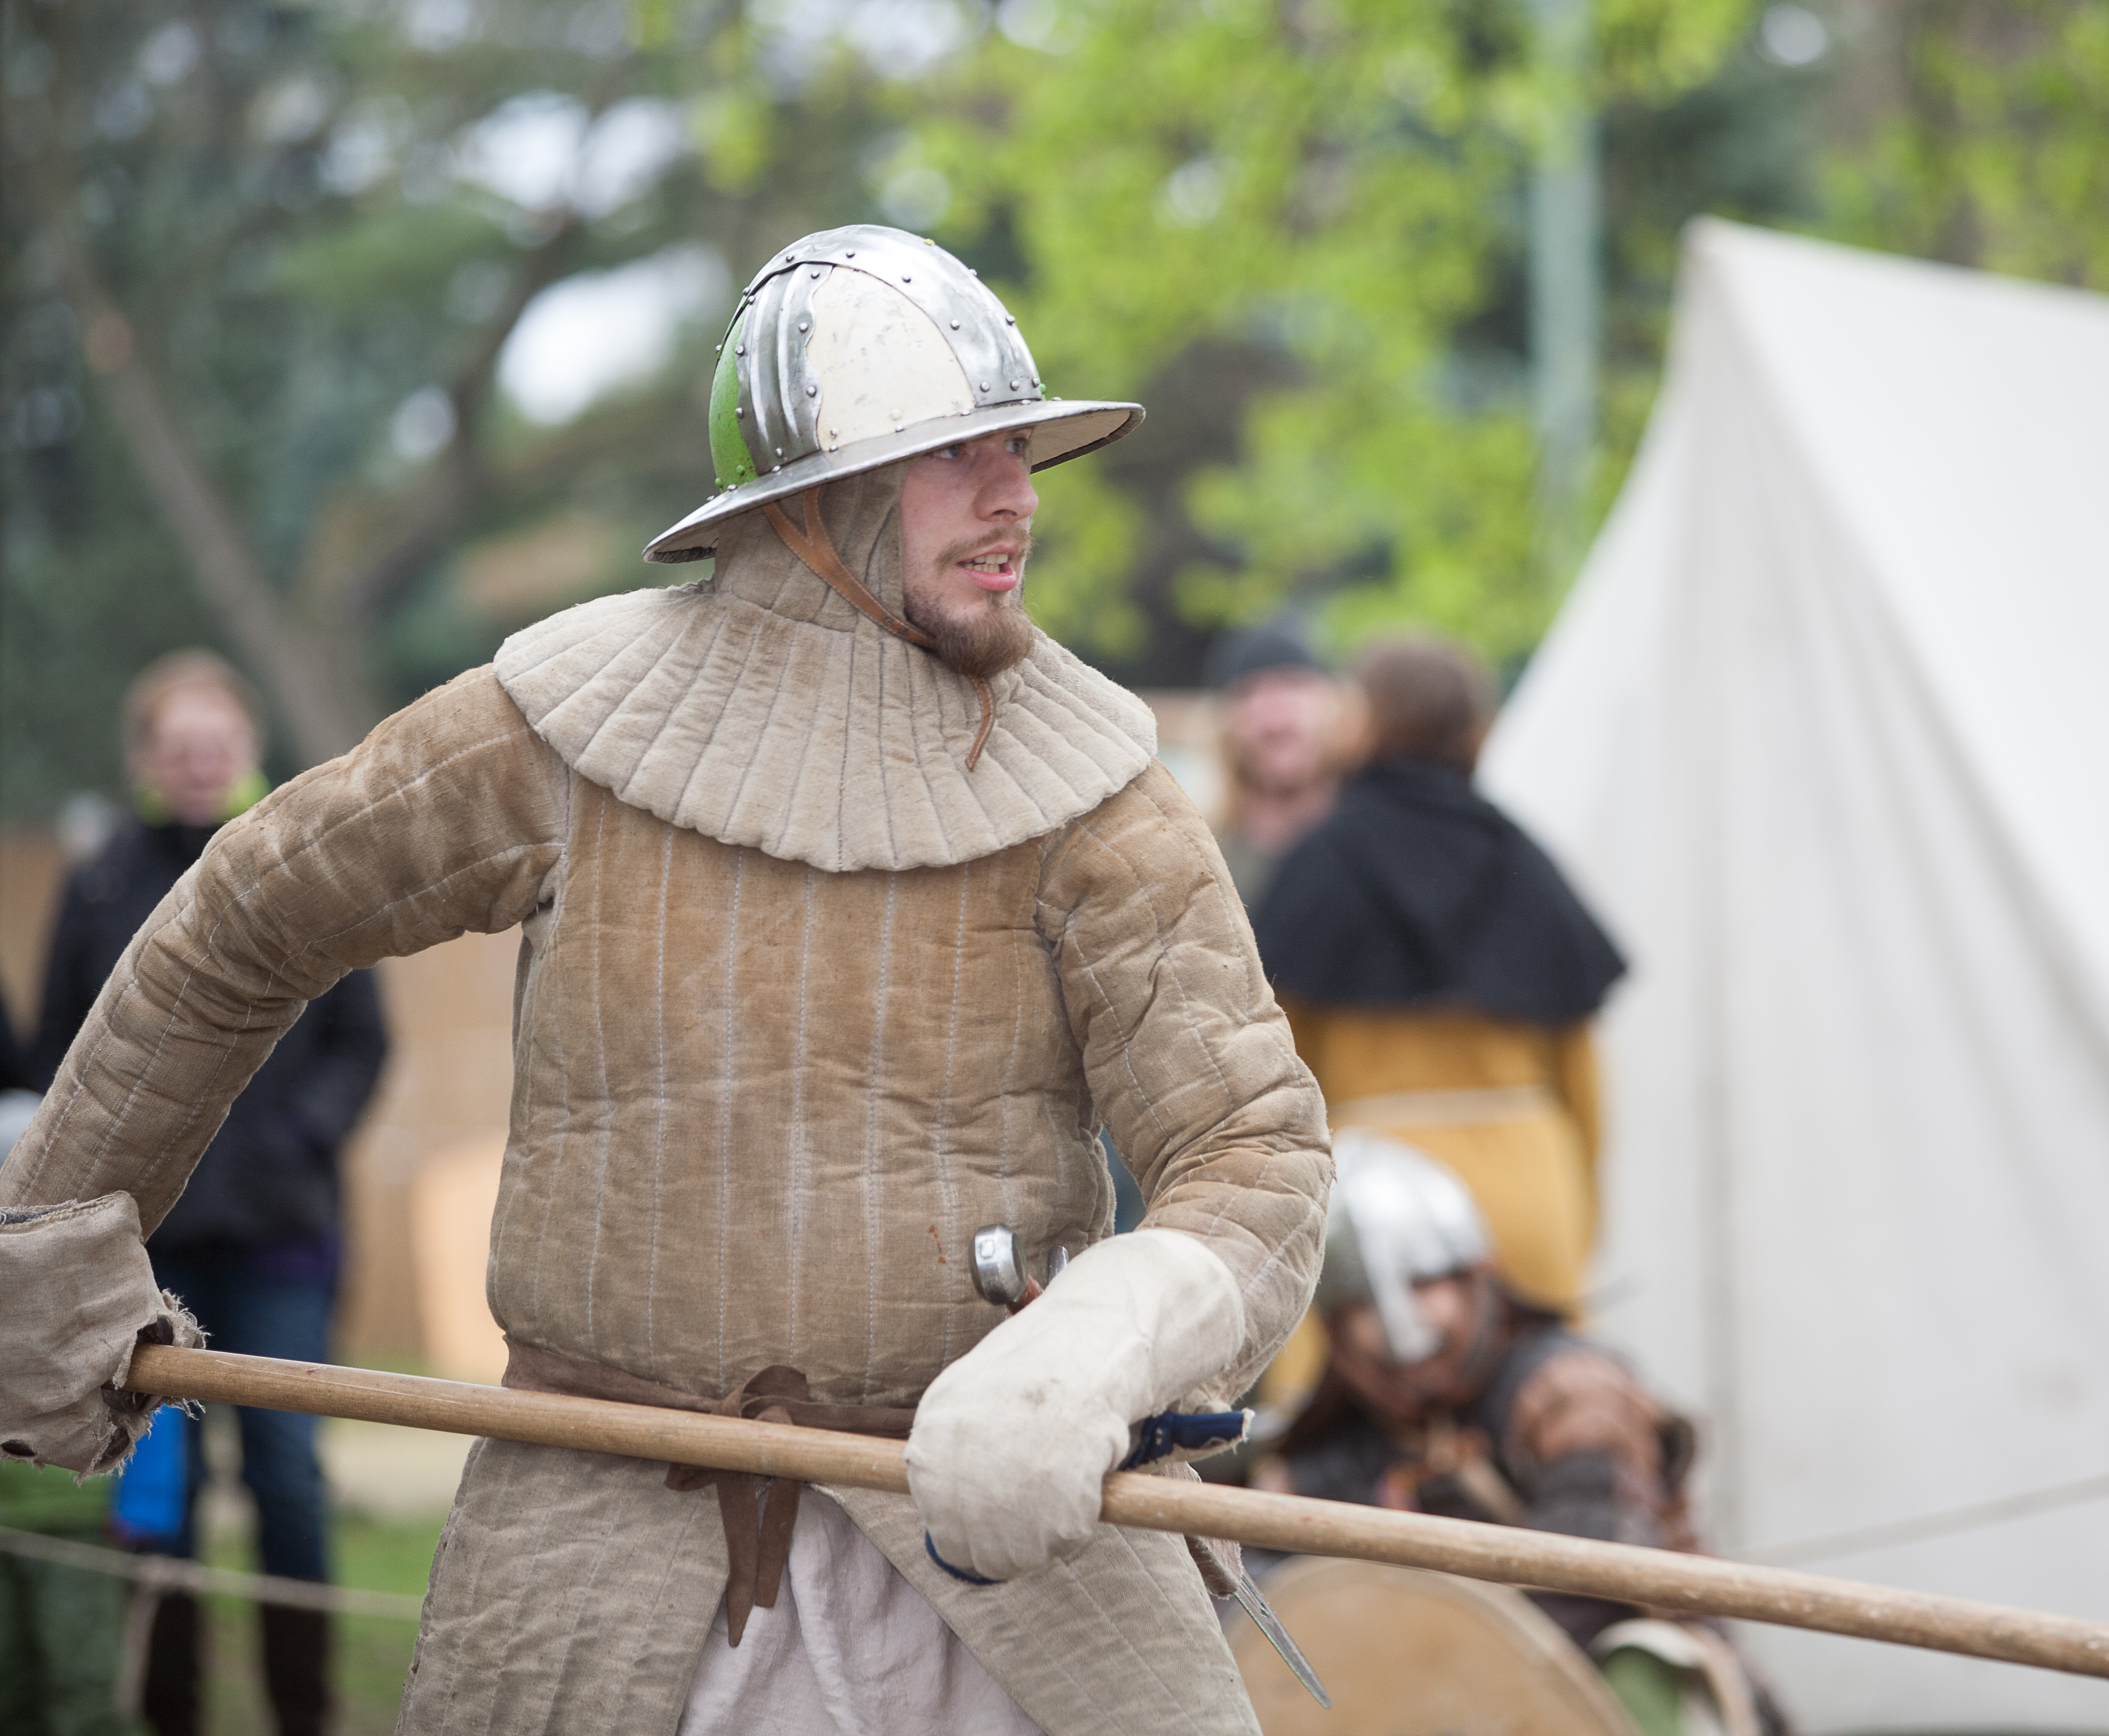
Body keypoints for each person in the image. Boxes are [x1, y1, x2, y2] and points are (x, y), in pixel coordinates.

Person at [0, 222, 1329, 1736]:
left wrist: (1098, 1348)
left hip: (1005, 1573)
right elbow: (243, 916)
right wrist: (51, 1249)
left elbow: (1254, 1150)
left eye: (1018, 447)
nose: (1017, 493)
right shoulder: (560, 727)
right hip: (604, 1560)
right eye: (958, 453)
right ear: (817, 498)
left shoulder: (1099, 790)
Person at [32, 650, 388, 1736]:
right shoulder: (99, 884)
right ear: (146, 758)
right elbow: (58, 1052)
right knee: (160, 1493)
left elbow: (362, 1043)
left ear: (248, 749)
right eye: (178, 749)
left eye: (215, 746)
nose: (197, 765)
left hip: (281, 1240)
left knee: (287, 1478)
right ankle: (171, 1710)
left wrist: (295, 1138)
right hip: (144, 1251)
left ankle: (304, 1711)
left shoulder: (302, 863)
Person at [1251, 1133, 1778, 1736]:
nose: (1402, 1327)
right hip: (1419, 1707)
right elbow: (1266, 1614)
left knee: (1642, 1660)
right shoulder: (1326, 1455)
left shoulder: (1573, 1393)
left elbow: (1586, 1588)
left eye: (1424, 1285)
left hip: (1595, 1685)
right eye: (1363, 1305)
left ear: (1475, 1277)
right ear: (1334, 1327)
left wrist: (1454, 1688)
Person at [1251, 634, 1624, 1338]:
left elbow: (1279, 1072)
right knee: (1540, 1387)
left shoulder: (1320, 864)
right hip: (1528, 1186)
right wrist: (1578, 1213)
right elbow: (1583, 1086)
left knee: (1348, 1402)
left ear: (1364, 722)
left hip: (1369, 1201)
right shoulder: (1524, 862)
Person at [1204, 622, 1344, 907]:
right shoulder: (1207, 860)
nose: (1275, 715)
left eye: (1292, 686)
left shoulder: (1373, 839)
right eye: (1251, 693)